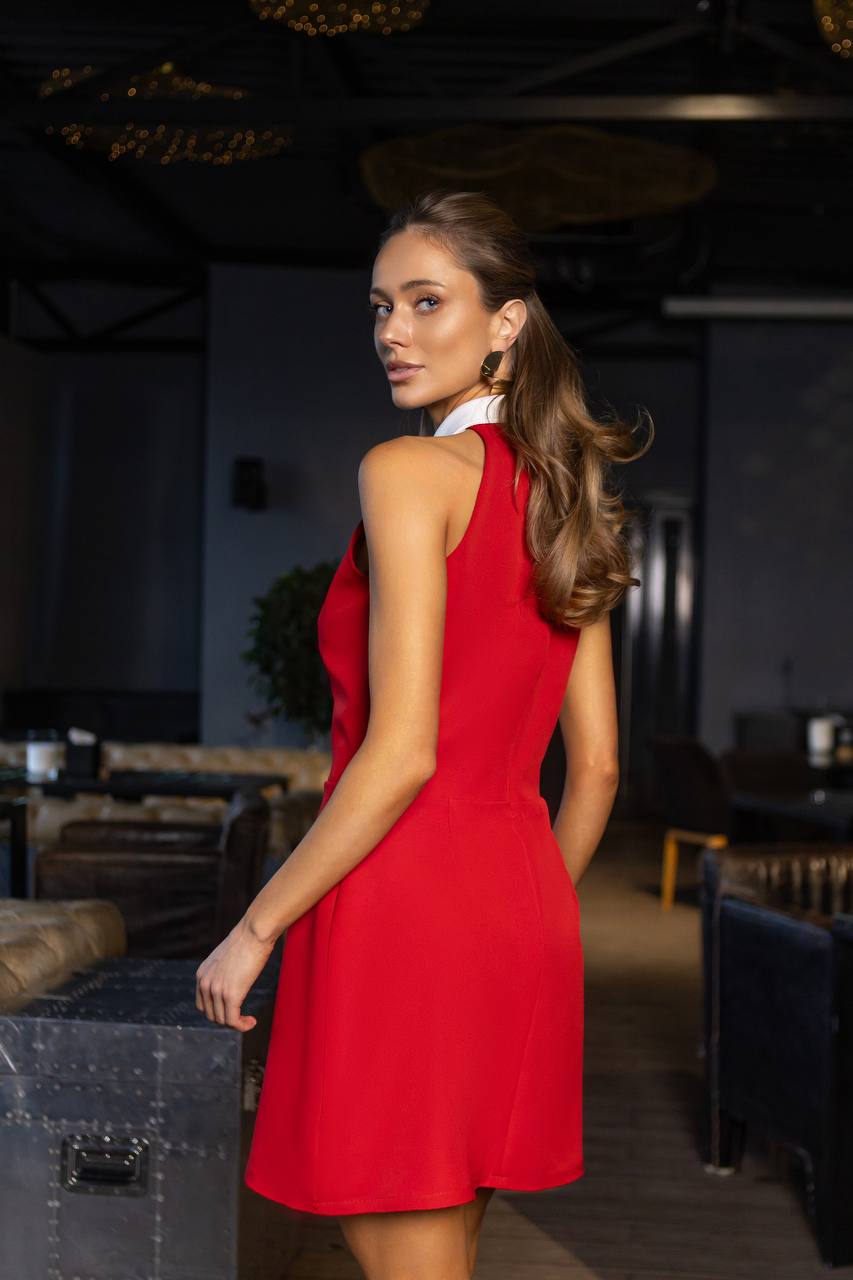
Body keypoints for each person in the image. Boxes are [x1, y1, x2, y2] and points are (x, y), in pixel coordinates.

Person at [196, 188, 653, 1280]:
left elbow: (401, 752)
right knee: (442, 1244)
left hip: (398, 907)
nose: (392, 331)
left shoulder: (404, 472)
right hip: (520, 909)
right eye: (379, 306)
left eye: (425, 301)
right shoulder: (564, 498)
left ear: (505, 322)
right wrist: (517, 911)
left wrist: (255, 927)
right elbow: (595, 768)